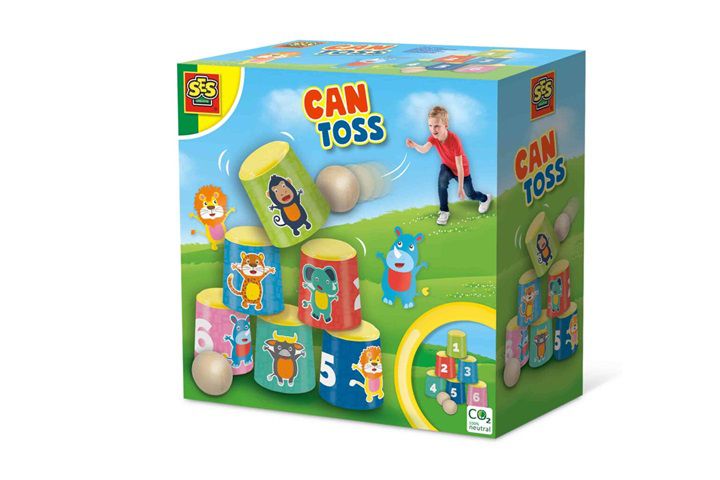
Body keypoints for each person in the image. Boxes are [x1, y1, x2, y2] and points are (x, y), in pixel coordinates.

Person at [406, 106, 492, 225]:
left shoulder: (454, 140)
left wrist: (460, 187)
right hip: (447, 167)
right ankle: (444, 211)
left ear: (445, 125)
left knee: (470, 194)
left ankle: (485, 198)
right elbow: (424, 149)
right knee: (442, 182)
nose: (433, 129)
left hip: (461, 169)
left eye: (436, 126)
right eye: (430, 125)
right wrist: (415, 145)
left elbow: (459, 166)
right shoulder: (434, 138)